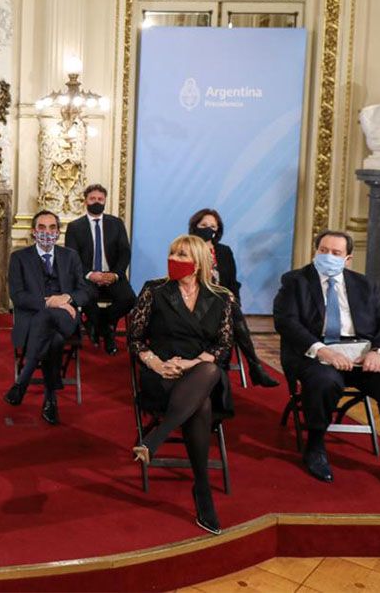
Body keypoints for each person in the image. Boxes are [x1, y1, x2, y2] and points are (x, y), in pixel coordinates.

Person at [273, 231, 380, 492]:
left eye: (336, 253)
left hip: (362, 355)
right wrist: (322, 351)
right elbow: (286, 322)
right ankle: (315, 445)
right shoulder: (295, 281)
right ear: (315, 251)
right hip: (318, 354)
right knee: (324, 380)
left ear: (348, 258)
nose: (328, 256)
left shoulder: (365, 285)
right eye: (323, 250)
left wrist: (379, 352)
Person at [127, 235, 235, 535]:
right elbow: (135, 339)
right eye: (172, 253)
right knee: (201, 404)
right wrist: (157, 364)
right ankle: (202, 490)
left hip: (200, 371)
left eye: (182, 254)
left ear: (198, 262)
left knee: (208, 372)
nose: (174, 259)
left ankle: (155, 439)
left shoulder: (220, 297)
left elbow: (223, 345)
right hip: (161, 374)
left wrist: (190, 364)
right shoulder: (155, 290)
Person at [4, 210, 89, 425]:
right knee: (55, 339)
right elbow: (17, 296)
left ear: (58, 232)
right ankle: (50, 400)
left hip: (65, 318)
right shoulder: (19, 258)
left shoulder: (70, 256)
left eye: (52, 228)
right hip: (34, 320)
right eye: (42, 227)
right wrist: (48, 302)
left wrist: (66, 298)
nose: (47, 232)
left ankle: (22, 381)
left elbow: (85, 292)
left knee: (50, 322)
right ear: (34, 231)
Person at [188, 208, 279, 388]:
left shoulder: (224, 251)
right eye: (204, 225)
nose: (208, 229)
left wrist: (234, 299)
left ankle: (244, 367)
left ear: (218, 230)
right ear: (195, 227)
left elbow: (232, 282)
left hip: (223, 303)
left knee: (232, 309)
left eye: (213, 226)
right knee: (232, 313)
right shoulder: (187, 249)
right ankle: (255, 366)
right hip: (196, 300)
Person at [64, 183, 135, 354]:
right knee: (86, 298)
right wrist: (90, 274)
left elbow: (125, 253)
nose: (97, 202)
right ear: (85, 201)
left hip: (112, 276)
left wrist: (115, 275)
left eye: (100, 199)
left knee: (129, 299)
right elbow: (72, 258)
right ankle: (108, 333)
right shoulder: (74, 227)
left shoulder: (116, 223)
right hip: (87, 277)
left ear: (105, 201)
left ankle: (97, 324)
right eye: (92, 198)